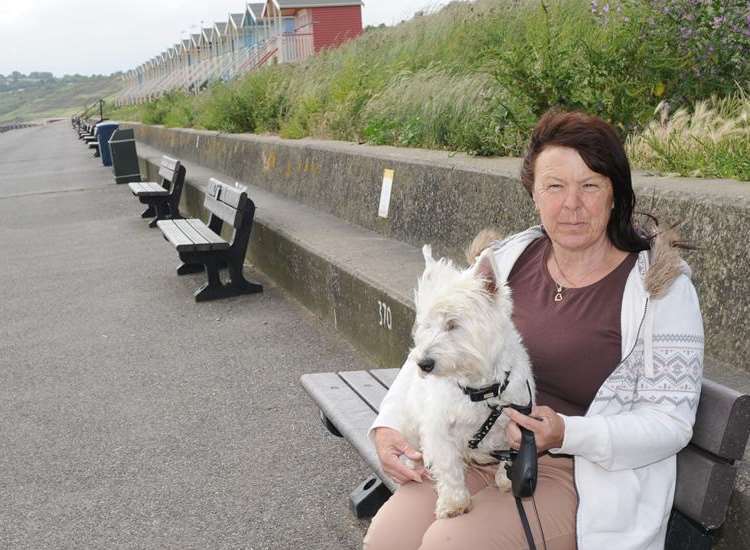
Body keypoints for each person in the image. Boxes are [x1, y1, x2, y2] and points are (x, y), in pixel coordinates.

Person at [364, 110, 704, 550]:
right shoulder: (507, 261)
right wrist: (388, 424)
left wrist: (566, 432)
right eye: (555, 186)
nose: (572, 205)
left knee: (450, 544)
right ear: (534, 195)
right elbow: (439, 347)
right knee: (388, 539)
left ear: (616, 194)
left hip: (581, 472)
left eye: (590, 186)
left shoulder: (659, 289)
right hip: (476, 447)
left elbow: (671, 422)